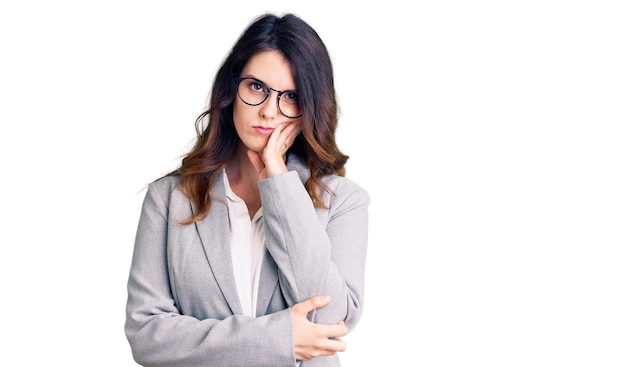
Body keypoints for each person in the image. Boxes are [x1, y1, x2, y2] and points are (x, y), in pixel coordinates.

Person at [124, 12, 369, 367]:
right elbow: (146, 336)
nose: (269, 111)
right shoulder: (169, 199)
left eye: (291, 96)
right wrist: (279, 339)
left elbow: (328, 321)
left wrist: (280, 184)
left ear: (311, 108)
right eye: (256, 87)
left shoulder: (343, 201)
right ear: (231, 91)